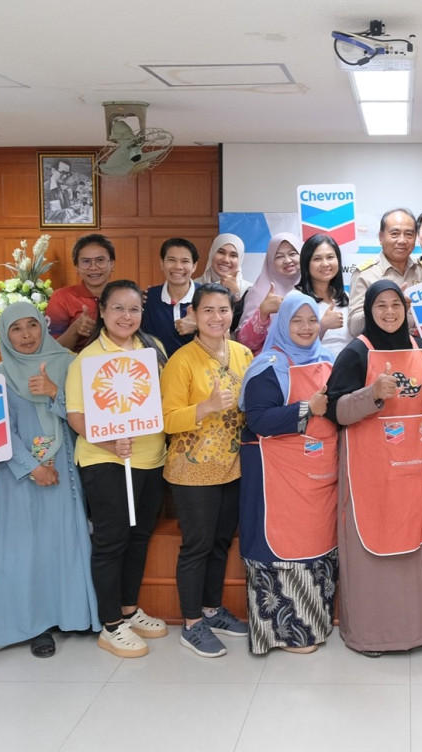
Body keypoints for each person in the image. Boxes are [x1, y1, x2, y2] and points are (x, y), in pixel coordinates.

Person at [326, 280, 422, 656]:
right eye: (380, 306)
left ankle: (413, 631)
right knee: (369, 550)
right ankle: (369, 635)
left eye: (396, 305)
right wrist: (372, 394)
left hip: (415, 469)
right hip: (369, 471)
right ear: (369, 311)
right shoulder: (357, 352)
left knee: (409, 546)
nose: (389, 312)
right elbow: (335, 411)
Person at [0, 302, 99, 658]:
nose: (26, 335)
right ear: (5, 335)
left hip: (63, 470)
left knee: (64, 542)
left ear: (43, 326)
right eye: (16, 328)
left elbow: (87, 417)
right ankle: (36, 626)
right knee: (27, 550)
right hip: (21, 476)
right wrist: (33, 467)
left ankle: (72, 615)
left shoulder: (67, 364)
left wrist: (54, 392)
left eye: (32, 325)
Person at [65, 280, 170, 658]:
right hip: (106, 460)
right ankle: (111, 625)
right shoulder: (87, 359)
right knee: (111, 541)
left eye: (134, 309)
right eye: (118, 308)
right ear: (103, 312)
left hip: (151, 458)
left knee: (139, 537)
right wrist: (110, 443)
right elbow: (75, 414)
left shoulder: (153, 350)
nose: (127, 316)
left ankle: (128, 609)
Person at [238, 292, 338, 654]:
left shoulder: (328, 359)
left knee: (317, 544)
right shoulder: (268, 365)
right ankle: (283, 634)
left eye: (312, 320)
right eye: (297, 320)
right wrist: (306, 408)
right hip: (278, 477)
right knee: (281, 546)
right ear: (283, 324)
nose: (306, 328)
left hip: (319, 475)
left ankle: (313, 627)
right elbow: (258, 419)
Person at [161, 282, 253, 658]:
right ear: (194, 315)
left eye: (223, 310)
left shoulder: (243, 352)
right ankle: (191, 623)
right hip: (192, 469)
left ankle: (212, 611)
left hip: (232, 466)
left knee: (220, 542)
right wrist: (206, 406)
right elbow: (167, 419)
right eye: (208, 310)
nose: (217, 317)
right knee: (197, 546)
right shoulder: (181, 360)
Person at [347, 209, 422, 337]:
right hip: (380, 347)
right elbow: (354, 327)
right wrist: (386, 307)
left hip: (419, 347)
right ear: (381, 237)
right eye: (395, 234)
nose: (402, 240)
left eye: (409, 234)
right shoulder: (365, 274)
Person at [46, 234, 116, 352]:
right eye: (86, 261)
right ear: (77, 267)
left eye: (100, 260)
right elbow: (51, 350)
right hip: (76, 361)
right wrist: (75, 329)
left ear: (112, 264)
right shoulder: (61, 298)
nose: (93, 267)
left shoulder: (125, 295)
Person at [237, 232, 301, 354]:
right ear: (270, 261)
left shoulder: (312, 286)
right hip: (271, 361)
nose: (287, 260)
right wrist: (262, 313)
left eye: (292, 254)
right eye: (279, 256)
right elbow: (245, 344)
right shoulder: (259, 292)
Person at [141, 237, 202, 356]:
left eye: (185, 261)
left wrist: (199, 326)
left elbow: (225, 336)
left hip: (200, 365)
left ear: (194, 266)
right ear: (162, 263)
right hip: (160, 366)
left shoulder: (208, 296)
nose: (178, 266)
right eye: (171, 260)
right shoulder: (148, 298)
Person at [295, 234, 352, 356]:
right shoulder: (296, 298)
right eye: (317, 259)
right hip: (315, 365)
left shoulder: (347, 297)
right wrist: (322, 326)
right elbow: (292, 345)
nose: (325, 264)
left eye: (330, 257)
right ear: (306, 263)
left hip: (349, 365)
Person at [200, 233, 252, 330]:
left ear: (240, 259)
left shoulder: (249, 290)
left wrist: (236, 295)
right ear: (212, 253)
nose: (226, 260)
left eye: (233, 255)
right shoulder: (195, 286)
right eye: (221, 252)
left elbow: (243, 329)